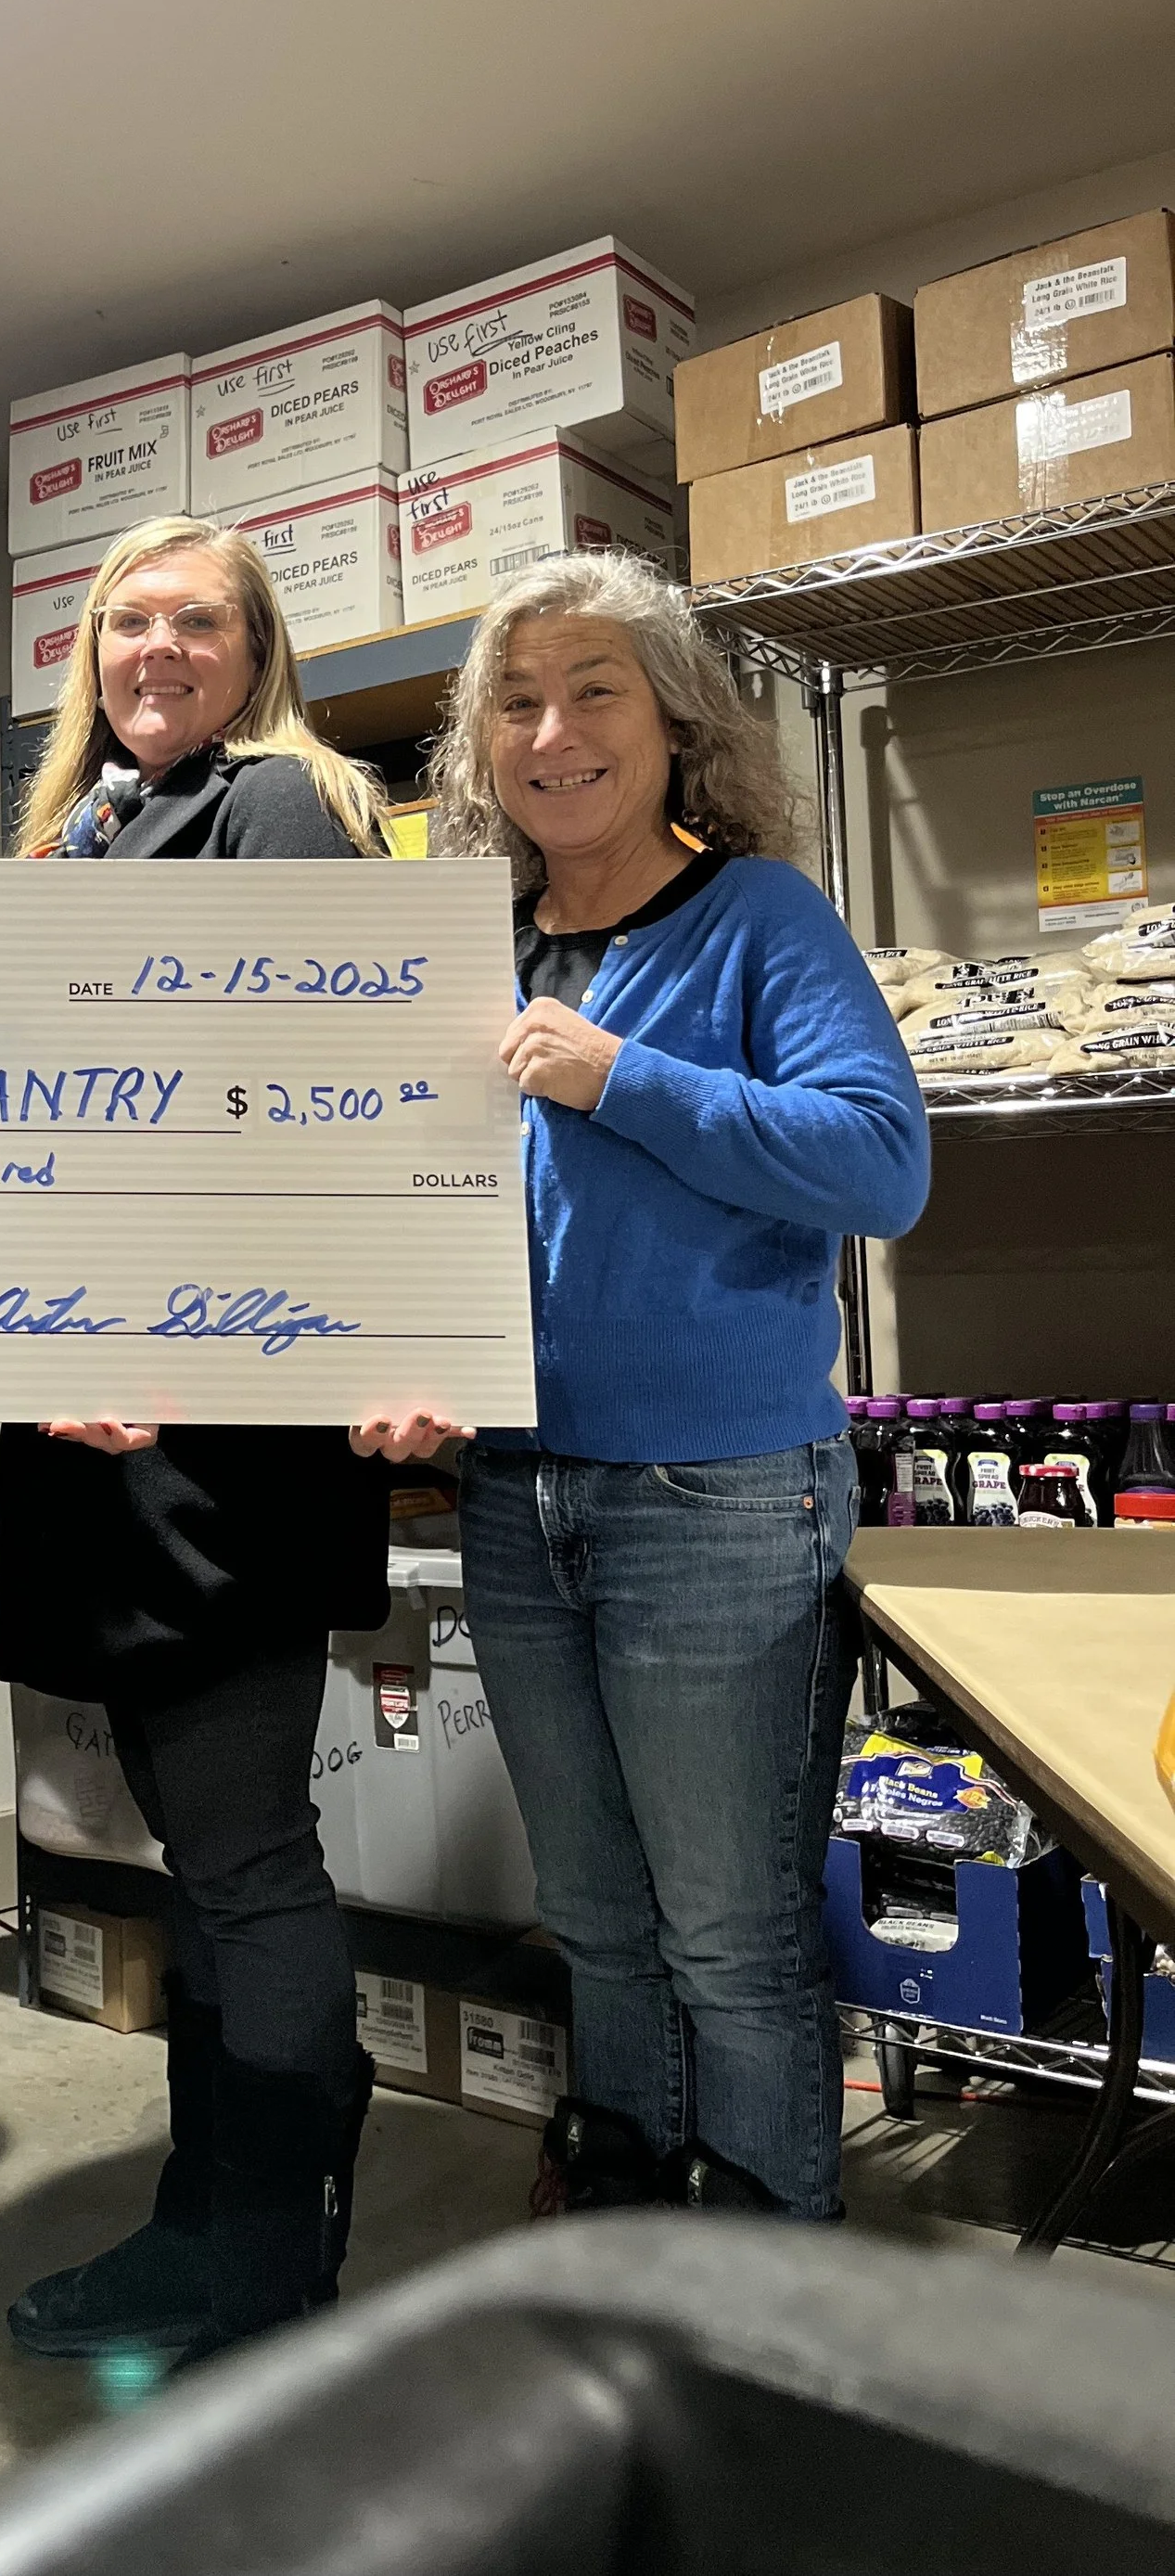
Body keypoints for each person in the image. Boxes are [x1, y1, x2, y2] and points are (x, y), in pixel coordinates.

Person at [368, 548, 928, 2222]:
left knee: (732, 1935)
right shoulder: (464, 944)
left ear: (678, 721)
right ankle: (626, 2237)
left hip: (719, 1499)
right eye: (517, 702)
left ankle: (760, 2303)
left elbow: (882, 1165)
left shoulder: (759, 917)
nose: (556, 732)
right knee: (598, 1918)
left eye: (594, 689)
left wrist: (626, 1078)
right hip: (518, 1491)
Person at [0, 514, 397, 2371]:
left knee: (240, 1855)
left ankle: (266, 2264)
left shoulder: (279, 805)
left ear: (255, 652)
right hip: (98, 1435)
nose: (156, 647)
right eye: (125, 620)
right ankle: (201, 2232)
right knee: (196, 1857)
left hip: (212, 1437)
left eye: (198, 623)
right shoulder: (81, 828)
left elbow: (277, 1103)